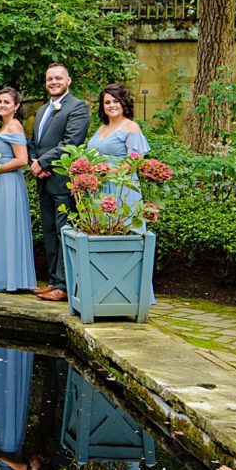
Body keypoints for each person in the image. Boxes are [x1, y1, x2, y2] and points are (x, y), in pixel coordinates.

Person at [88, 83, 156, 304]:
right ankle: (106, 292)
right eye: (107, 102)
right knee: (102, 238)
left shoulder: (131, 128)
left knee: (126, 235)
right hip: (100, 191)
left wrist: (109, 171)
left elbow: (134, 161)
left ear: (124, 103)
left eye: (115, 101)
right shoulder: (101, 129)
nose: (111, 105)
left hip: (122, 188)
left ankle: (134, 294)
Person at [29, 62, 91, 302]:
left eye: (58, 78)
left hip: (63, 181)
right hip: (44, 180)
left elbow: (71, 142)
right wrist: (36, 163)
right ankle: (54, 280)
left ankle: (65, 285)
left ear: (68, 80)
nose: (53, 82)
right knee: (49, 232)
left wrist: (43, 162)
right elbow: (34, 142)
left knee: (64, 231)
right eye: (49, 79)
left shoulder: (77, 108)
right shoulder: (42, 109)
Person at [0, 87, 37, 293]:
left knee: (8, 228)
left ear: (16, 106)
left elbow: (22, 160)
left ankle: (12, 279)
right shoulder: (3, 126)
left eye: (6, 102)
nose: (1, 105)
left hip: (7, 184)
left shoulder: (14, 127)